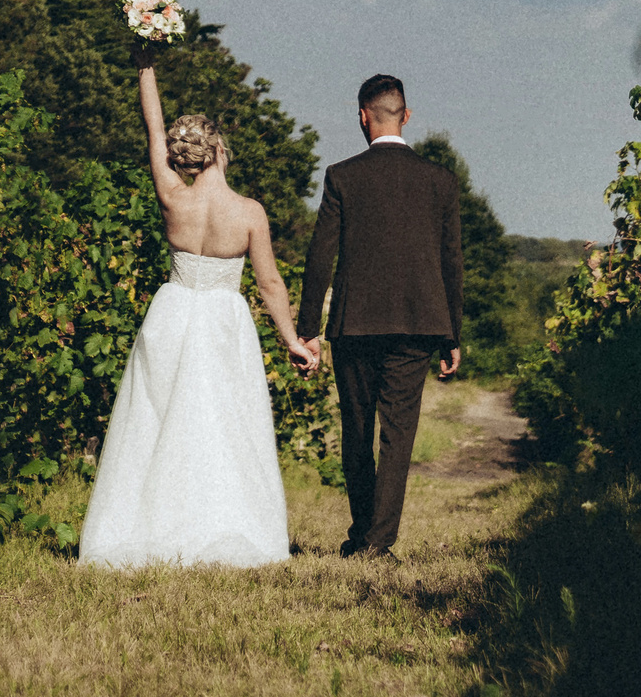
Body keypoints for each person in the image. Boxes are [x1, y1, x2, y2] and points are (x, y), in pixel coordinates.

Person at [77, 44, 316, 568]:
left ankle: (146, 525)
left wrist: (145, 64)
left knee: (154, 421)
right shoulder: (249, 212)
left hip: (173, 311)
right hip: (222, 320)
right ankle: (220, 525)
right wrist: (292, 340)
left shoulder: (172, 197)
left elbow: (153, 129)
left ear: (186, 156)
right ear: (220, 151)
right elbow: (271, 282)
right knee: (223, 426)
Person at [296, 74, 463, 560]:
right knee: (398, 433)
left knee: (357, 429)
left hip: (355, 323)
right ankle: (378, 541)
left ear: (362, 115)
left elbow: (319, 256)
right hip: (420, 322)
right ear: (406, 116)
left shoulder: (342, 176)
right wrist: (453, 333)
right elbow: (451, 261)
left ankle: (363, 532)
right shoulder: (441, 181)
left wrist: (308, 330)